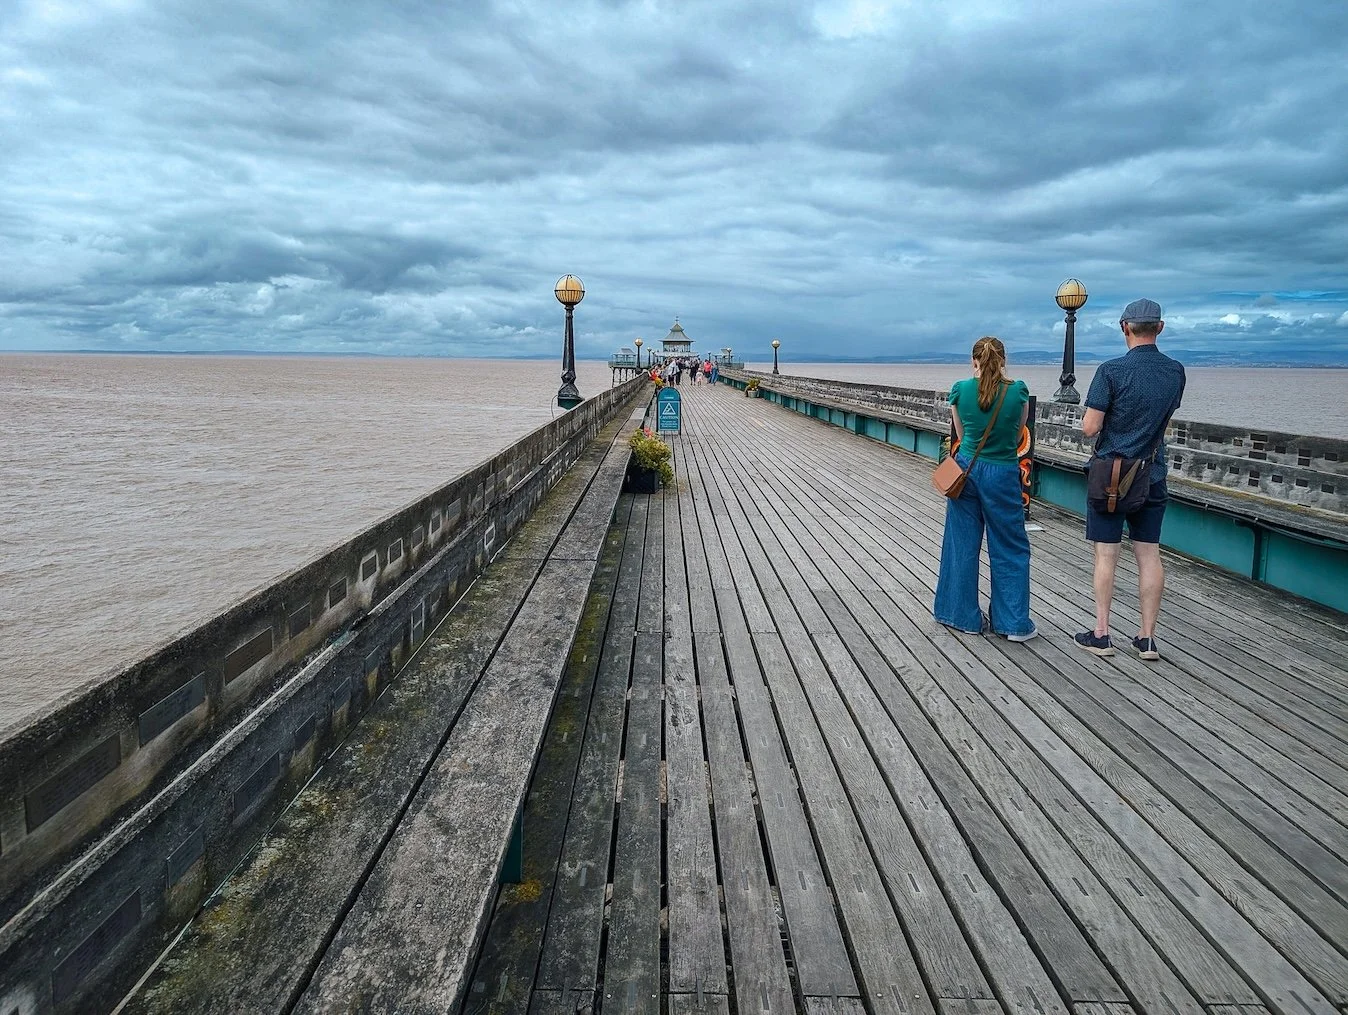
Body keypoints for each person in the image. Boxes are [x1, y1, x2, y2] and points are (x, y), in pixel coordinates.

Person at [1075, 298, 1186, 660]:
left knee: (1106, 555)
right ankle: (1147, 638)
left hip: (1111, 476)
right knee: (1149, 554)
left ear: (1125, 328)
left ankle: (1102, 633)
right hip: (1151, 475)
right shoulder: (1175, 372)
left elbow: (1090, 428)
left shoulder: (1111, 371)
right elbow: (1163, 423)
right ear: (1160, 328)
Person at [933, 337, 1036, 641]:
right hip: (1003, 472)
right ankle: (1013, 623)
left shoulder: (960, 390)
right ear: (1003, 360)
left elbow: (961, 435)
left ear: (973, 361)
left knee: (961, 542)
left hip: (966, 470)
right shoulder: (1017, 392)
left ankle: (961, 615)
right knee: (1010, 546)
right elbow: (1018, 435)